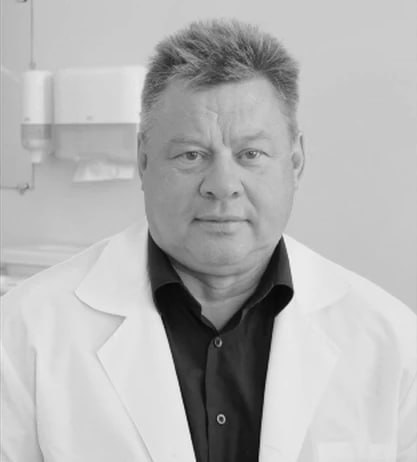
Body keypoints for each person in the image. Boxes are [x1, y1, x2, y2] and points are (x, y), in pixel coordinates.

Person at [1, 19, 415, 462]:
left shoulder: (390, 337)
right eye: (191, 155)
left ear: (295, 162)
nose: (222, 185)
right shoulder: (25, 331)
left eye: (251, 154)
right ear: (143, 160)